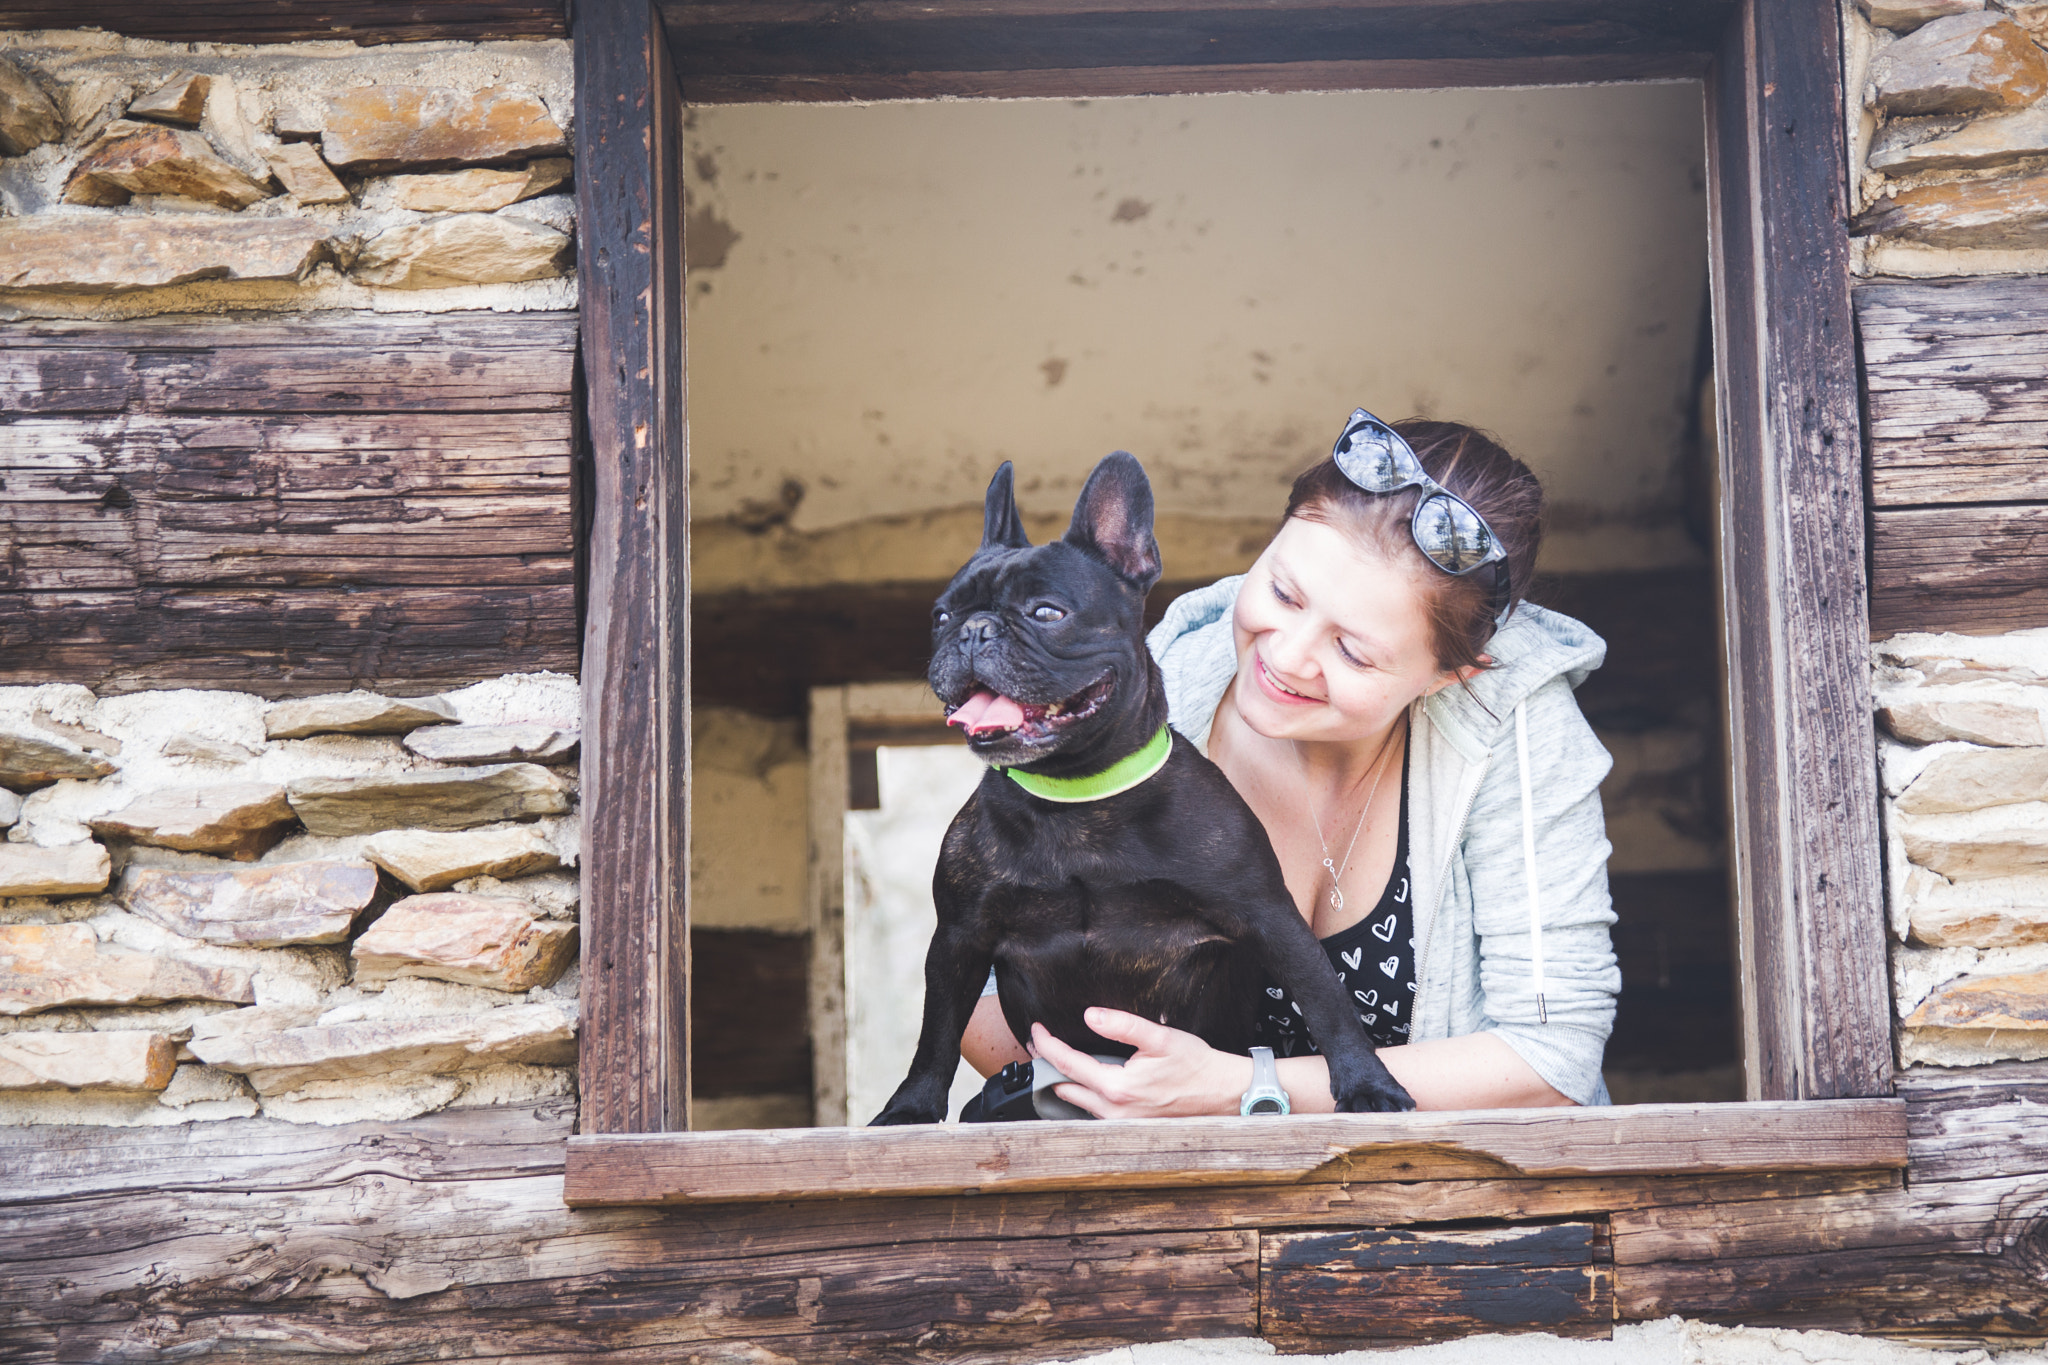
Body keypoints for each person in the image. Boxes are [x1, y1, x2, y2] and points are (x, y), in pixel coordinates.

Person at [958, 408, 1620, 1115]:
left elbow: (1553, 1058)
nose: (1286, 655)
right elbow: (982, 998)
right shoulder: (1132, 698)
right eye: (1282, 592)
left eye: (1354, 651)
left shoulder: (1515, 723)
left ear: (1448, 675)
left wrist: (1243, 1089)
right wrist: (1100, 1075)